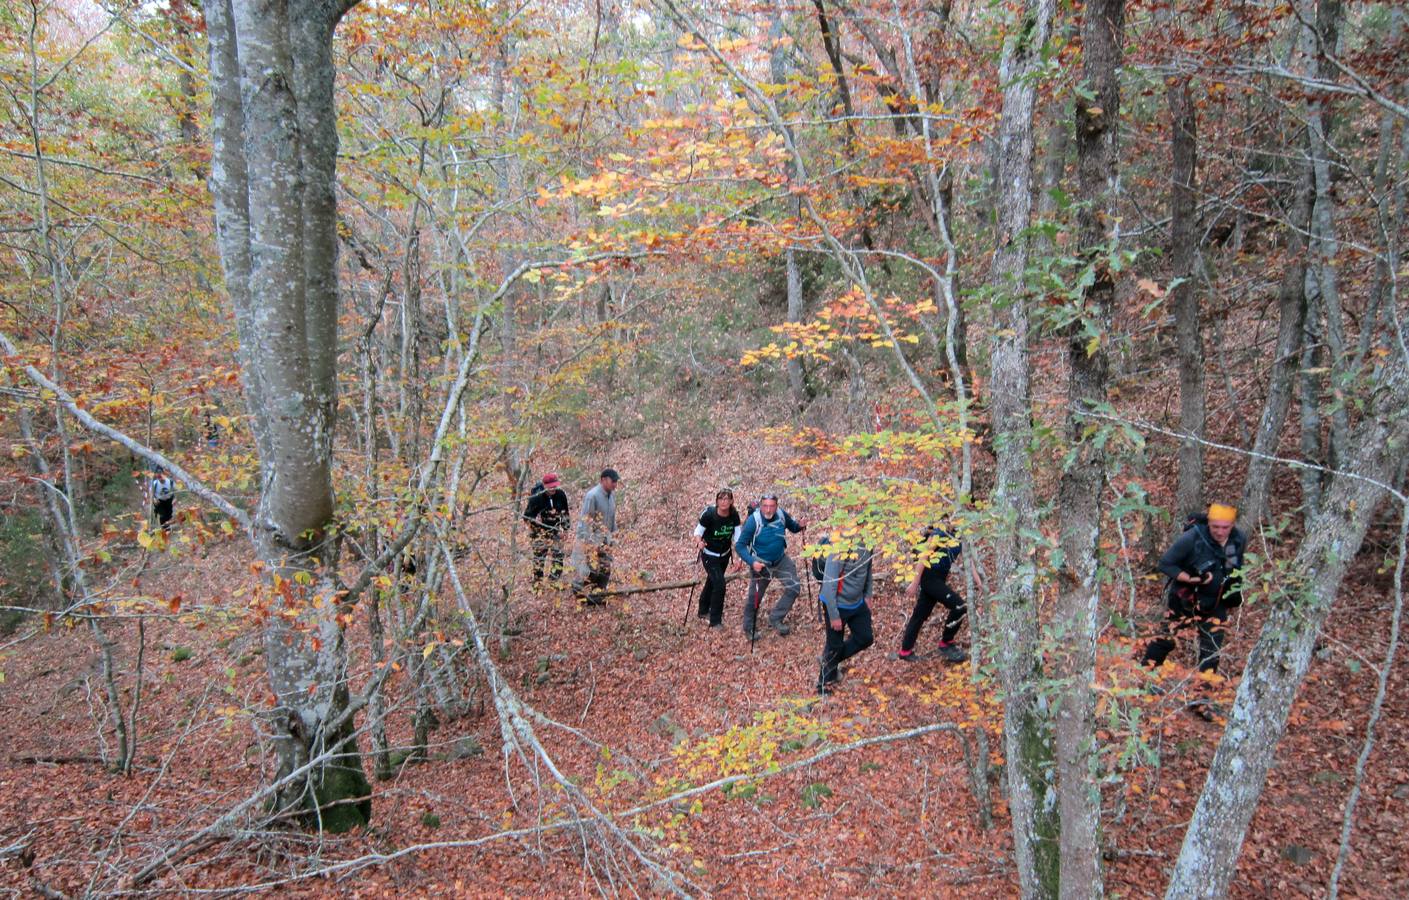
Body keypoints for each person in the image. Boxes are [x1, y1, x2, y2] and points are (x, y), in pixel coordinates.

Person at [1143, 502, 1246, 674]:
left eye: (1225, 527)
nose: (1220, 532)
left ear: (1232, 525)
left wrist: (1232, 595)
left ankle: (1202, 695)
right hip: (1185, 598)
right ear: (1208, 523)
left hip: (1216, 603)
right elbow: (1165, 564)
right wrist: (1191, 579)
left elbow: (1234, 567)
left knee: (1211, 649)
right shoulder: (1192, 538)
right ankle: (1144, 677)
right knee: (1166, 640)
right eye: (1215, 527)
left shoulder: (1238, 539)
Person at [898, 526, 981, 663]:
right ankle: (946, 643)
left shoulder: (961, 534)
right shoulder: (939, 533)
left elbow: (969, 561)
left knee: (920, 614)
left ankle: (905, 651)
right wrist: (914, 583)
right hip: (929, 577)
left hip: (939, 578)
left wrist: (979, 583)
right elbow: (923, 557)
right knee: (959, 606)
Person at [734, 493, 806, 639]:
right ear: (761, 506)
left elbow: (793, 527)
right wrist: (752, 562)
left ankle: (776, 617)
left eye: (772, 506)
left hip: (780, 560)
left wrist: (800, 525)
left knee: (794, 587)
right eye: (765, 506)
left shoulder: (780, 515)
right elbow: (740, 546)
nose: (768, 510)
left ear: (776, 506)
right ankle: (749, 628)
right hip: (761, 563)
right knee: (754, 597)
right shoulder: (754, 521)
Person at [817, 543, 875, 694]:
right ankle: (823, 685)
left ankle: (829, 660)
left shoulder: (869, 542)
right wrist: (834, 615)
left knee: (865, 637)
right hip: (837, 603)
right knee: (834, 646)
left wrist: (868, 594)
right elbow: (829, 584)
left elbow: (868, 570)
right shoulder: (841, 546)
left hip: (857, 602)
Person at [693, 488, 741, 627]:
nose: (724, 501)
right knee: (720, 584)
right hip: (709, 555)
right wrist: (699, 542)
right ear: (717, 501)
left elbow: (738, 538)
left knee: (712, 581)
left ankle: (702, 609)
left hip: (725, 555)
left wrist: (739, 558)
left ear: (731, 501)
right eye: (721, 499)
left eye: (727, 499)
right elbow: (698, 532)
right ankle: (715, 620)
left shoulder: (734, 515)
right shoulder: (709, 515)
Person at [572, 468, 620, 604]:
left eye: (616, 482)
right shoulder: (592, 496)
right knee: (590, 571)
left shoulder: (612, 495)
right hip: (592, 542)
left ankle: (598, 597)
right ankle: (582, 596)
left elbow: (612, 517)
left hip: (606, 540)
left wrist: (614, 535)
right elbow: (585, 521)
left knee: (605, 569)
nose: (615, 484)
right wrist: (590, 544)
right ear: (603, 480)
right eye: (613, 481)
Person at [523, 472, 570, 587]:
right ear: (544, 486)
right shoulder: (536, 498)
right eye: (551, 487)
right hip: (539, 533)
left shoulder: (560, 494)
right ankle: (538, 583)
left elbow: (565, 513)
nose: (553, 488)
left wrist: (565, 529)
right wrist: (535, 523)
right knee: (539, 558)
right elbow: (526, 517)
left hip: (555, 530)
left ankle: (554, 581)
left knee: (558, 556)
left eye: (555, 486)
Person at [150, 466, 175, 532]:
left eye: (161, 475)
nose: (160, 478)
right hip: (159, 501)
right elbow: (152, 494)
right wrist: (154, 499)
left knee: (168, 515)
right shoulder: (155, 483)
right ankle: (165, 530)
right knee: (162, 515)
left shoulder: (170, 482)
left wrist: (174, 499)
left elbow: (173, 492)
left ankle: (168, 527)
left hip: (168, 501)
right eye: (158, 476)